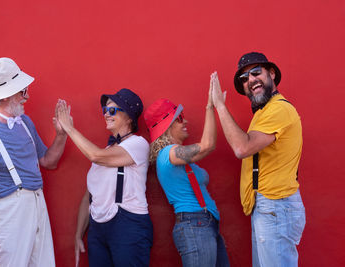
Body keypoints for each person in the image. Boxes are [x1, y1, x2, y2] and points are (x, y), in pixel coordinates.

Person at [0, 57, 67, 267]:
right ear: (6, 95)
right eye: (22, 90)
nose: (26, 96)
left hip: (37, 204)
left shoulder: (25, 123)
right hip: (6, 214)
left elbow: (48, 161)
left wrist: (62, 134)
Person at [211, 52, 306, 267]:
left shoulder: (279, 109)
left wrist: (220, 105)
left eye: (256, 72)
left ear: (271, 73)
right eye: (244, 78)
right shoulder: (264, 113)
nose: (250, 80)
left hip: (275, 206)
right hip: (269, 207)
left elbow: (241, 147)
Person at [56, 88, 153, 267]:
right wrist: (79, 235)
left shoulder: (138, 144)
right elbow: (88, 198)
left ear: (130, 117)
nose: (107, 114)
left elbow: (95, 156)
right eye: (105, 110)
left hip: (128, 225)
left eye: (113, 110)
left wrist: (69, 129)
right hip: (97, 230)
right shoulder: (107, 151)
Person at [143, 75, 229, 267]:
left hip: (205, 224)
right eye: (179, 119)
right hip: (195, 225)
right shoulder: (169, 154)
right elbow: (207, 145)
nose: (185, 121)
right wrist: (210, 106)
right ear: (166, 127)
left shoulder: (177, 157)